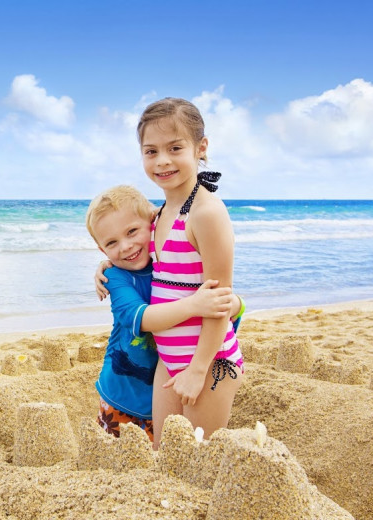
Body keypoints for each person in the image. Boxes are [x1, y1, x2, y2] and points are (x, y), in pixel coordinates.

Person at [85, 185, 241, 442]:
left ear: (153, 223)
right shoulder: (114, 276)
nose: (125, 247)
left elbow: (216, 298)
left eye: (132, 231)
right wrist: (194, 305)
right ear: (103, 251)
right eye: (111, 243)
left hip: (167, 382)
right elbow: (140, 317)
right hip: (123, 393)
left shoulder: (165, 262)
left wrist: (235, 303)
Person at [137, 97, 244, 448]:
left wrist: (198, 370)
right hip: (168, 360)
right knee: (163, 453)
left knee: (198, 458)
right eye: (150, 151)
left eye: (175, 148)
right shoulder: (158, 214)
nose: (162, 160)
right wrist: (106, 265)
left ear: (201, 148)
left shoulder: (206, 214)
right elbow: (132, 252)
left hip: (210, 361)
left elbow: (218, 302)